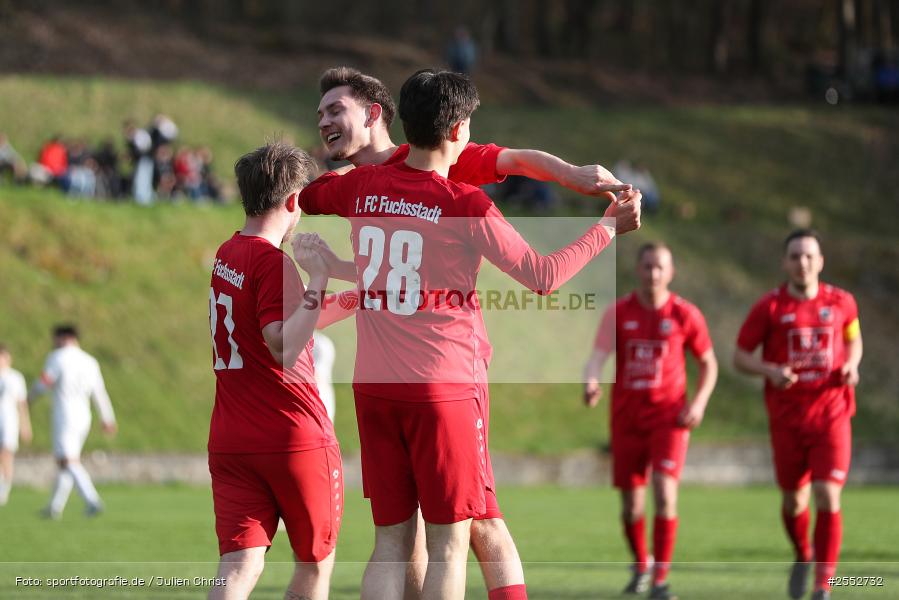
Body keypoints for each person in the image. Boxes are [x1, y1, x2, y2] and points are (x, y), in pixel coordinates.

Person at [300, 68, 641, 600]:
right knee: (449, 546)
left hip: (374, 388)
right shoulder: (465, 202)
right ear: (458, 130)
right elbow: (543, 275)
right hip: (444, 387)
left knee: (389, 541)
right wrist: (607, 229)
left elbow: (308, 198)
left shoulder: (360, 188)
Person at [206, 142, 341, 600]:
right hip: (290, 434)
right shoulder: (273, 262)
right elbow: (283, 344)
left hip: (231, 437)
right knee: (315, 564)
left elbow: (280, 320)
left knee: (239, 564)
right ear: (293, 201)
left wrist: (355, 299)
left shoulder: (229, 254)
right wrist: (319, 278)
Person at [583, 243, 717, 600]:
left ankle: (660, 580)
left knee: (664, 492)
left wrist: (699, 404)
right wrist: (591, 380)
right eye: (647, 266)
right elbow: (597, 356)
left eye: (660, 267)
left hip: (669, 418)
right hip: (627, 419)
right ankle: (641, 563)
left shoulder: (685, 314)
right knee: (631, 506)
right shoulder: (618, 313)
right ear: (637, 271)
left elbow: (709, 364)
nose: (653, 273)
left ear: (671, 272)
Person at [734, 229, 862, 600]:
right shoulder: (770, 308)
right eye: (795, 256)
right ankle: (803, 554)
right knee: (794, 502)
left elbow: (854, 338)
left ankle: (825, 584)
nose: (802, 263)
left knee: (826, 493)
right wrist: (770, 371)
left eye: (809, 256)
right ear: (784, 263)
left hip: (832, 415)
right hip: (787, 420)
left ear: (820, 261)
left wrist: (852, 364)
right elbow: (740, 357)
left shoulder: (842, 303)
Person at [29, 325, 116, 519]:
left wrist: (28, 399)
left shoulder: (57, 357)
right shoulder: (90, 361)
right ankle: (54, 507)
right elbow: (99, 392)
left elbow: (44, 383)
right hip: (84, 415)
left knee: (68, 460)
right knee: (65, 461)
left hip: (64, 415)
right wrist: (107, 418)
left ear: (62, 337)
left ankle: (92, 499)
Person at [0, 344, 32, 506]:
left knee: (6, 454)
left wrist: (25, 425)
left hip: (9, 420)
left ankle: (4, 489)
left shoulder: (15, 377)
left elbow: (21, 403)